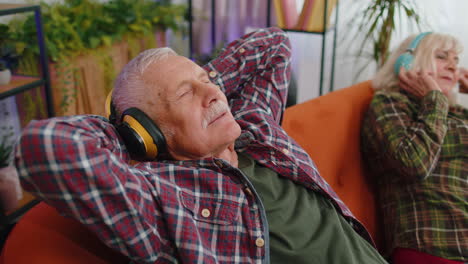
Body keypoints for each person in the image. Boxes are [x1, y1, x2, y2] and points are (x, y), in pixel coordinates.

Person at [16, 27, 387, 263]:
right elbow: (44, 148)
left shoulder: (255, 126)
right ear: (149, 135)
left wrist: (199, 80)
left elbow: (275, 45)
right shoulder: (161, 199)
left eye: (208, 79)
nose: (213, 93)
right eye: (184, 94)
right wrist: (128, 131)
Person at [361, 32, 467, 264]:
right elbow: (414, 164)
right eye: (441, 57)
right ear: (407, 63)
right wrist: (435, 99)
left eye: (456, 60)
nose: (453, 66)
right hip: (435, 247)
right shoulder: (389, 104)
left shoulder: (456, 113)